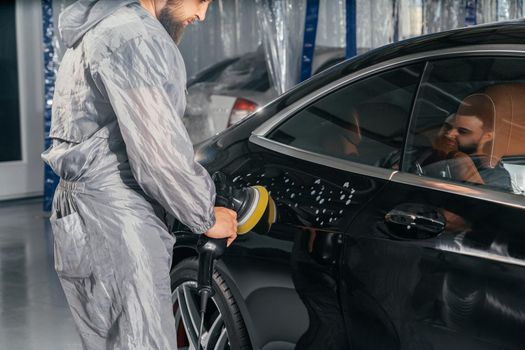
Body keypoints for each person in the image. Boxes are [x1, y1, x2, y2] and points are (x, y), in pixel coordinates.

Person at [41, 0, 237, 349]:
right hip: (118, 218)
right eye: (201, 0)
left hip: (80, 211)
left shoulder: (96, 30)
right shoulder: (133, 37)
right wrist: (205, 214)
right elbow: (158, 151)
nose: (202, 15)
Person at [421, 93, 512, 191]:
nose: (450, 134)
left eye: (462, 131)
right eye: (447, 127)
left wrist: (463, 164)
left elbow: (481, 205)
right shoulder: (423, 155)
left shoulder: (496, 177)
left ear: (487, 137)